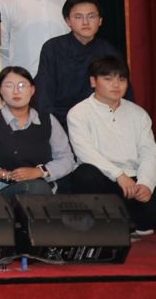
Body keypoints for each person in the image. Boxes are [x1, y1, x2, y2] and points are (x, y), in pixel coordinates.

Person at [61, 54, 156, 235]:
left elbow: (149, 152)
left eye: (121, 79)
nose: (116, 85)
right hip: (103, 179)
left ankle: (129, 221)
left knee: (148, 213)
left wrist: (146, 184)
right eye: (108, 79)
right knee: (85, 174)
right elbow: (85, 153)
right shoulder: (79, 112)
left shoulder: (138, 114)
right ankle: (110, 224)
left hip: (134, 181)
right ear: (93, 81)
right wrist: (118, 175)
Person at [0, 66, 72, 197]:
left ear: (32, 90)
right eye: (9, 86)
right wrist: (8, 175)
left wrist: (40, 171)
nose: (16, 91)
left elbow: (67, 159)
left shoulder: (47, 120)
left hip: (44, 188)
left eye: (22, 85)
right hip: (2, 190)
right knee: (35, 188)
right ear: (0, 90)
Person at [35, 0, 124, 119]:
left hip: (99, 118)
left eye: (91, 16)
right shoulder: (53, 48)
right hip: (59, 119)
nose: (85, 22)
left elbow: (120, 91)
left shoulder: (110, 52)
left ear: (100, 21)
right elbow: (44, 93)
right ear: (68, 21)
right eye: (78, 17)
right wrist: (48, 123)